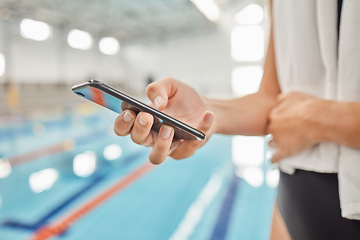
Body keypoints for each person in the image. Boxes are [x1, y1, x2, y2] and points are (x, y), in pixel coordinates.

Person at [114, 0, 360, 239]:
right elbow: (272, 98)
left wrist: (324, 120)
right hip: (293, 206)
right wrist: (207, 112)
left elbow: (300, 116)